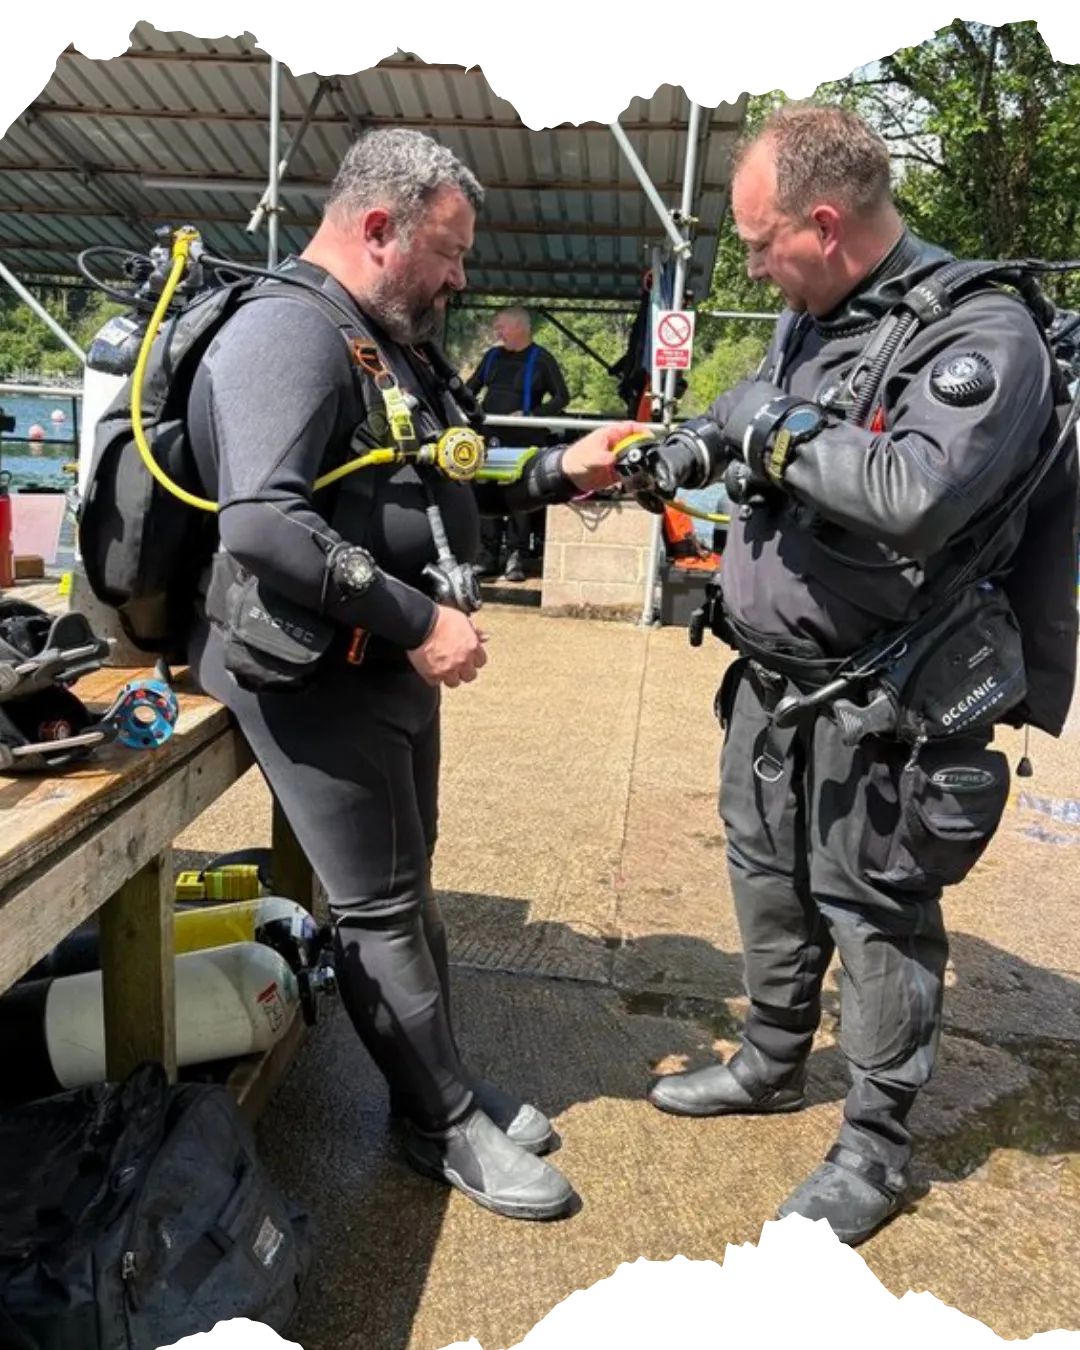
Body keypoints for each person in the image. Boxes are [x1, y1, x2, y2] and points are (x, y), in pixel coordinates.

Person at [625, 103, 1075, 1246]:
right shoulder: (815, 315)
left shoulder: (983, 335)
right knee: (764, 877)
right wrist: (695, 445)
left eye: (762, 240)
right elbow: (749, 406)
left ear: (825, 225)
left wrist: (770, 430)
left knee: (874, 912)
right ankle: (773, 1062)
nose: (754, 263)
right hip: (773, 686)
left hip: (890, 700)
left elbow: (912, 489)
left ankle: (874, 1147)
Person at [181, 126, 636, 1222]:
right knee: (378, 907)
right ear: (379, 229)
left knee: (409, 884)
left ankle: (436, 1082)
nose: (460, 277)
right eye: (449, 251)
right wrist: (416, 615)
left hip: (375, 662)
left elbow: (438, 478)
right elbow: (264, 526)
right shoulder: (289, 331)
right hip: (307, 670)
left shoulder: (382, 340)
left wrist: (555, 473)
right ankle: (441, 1126)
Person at [466, 307, 570, 580]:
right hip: (489, 435)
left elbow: (562, 398)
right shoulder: (492, 357)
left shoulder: (542, 359)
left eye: (501, 326)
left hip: (524, 437)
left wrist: (531, 415)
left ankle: (516, 556)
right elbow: (469, 388)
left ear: (519, 327)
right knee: (485, 490)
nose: (497, 332)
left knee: (518, 494)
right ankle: (487, 554)